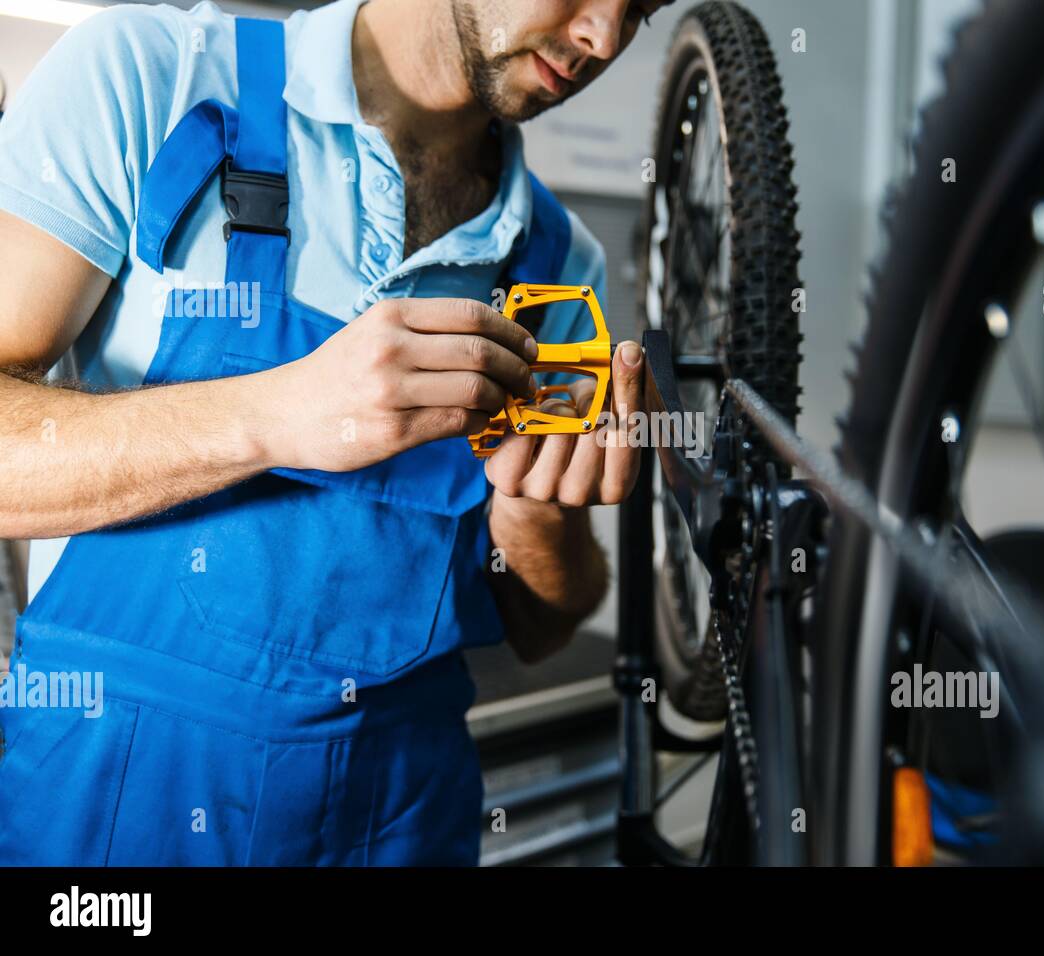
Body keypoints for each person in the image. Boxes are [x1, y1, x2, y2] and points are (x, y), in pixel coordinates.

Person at [0, 0, 669, 865]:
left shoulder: (553, 263)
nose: (602, 38)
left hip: (398, 819)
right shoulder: (154, 78)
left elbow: (538, 628)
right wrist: (277, 414)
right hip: (117, 811)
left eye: (642, 11)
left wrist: (538, 512)